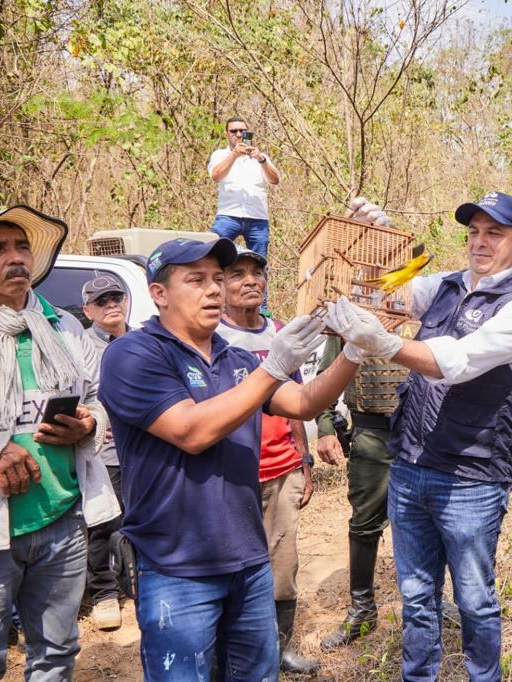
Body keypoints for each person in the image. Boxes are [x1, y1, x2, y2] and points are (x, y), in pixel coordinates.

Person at [98, 237, 359, 679]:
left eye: (218, 279)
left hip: (248, 559)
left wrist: (353, 351)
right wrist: (272, 368)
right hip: (177, 566)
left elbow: (304, 403)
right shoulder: (134, 353)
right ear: (158, 293)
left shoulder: (235, 358)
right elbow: (191, 431)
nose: (214, 290)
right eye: (196, 280)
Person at [322, 191, 512, 681]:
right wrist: (382, 243)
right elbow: (391, 291)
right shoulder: (445, 286)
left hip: (471, 478)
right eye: (474, 233)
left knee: (473, 598)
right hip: (409, 466)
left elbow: (456, 362)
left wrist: (386, 343)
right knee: (417, 597)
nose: (480, 243)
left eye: (495, 234)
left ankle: (482, 676)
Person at [0, 206, 121, 679]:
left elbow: (96, 399)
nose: (15, 258)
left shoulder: (62, 326)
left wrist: (87, 424)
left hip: (63, 518)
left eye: (22, 246)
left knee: (56, 654)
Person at [214, 244, 318, 675]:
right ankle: (227, 656)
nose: (250, 281)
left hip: (281, 468)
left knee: (282, 566)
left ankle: (278, 650)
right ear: (220, 285)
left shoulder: (280, 332)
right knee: (227, 570)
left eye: (257, 273)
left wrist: (304, 459)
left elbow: (295, 398)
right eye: (237, 274)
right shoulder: (212, 335)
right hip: (228, 475)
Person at [315, 198, 398, 649]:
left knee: (423, 519)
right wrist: (326, 426)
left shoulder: (417, 299)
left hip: (420, 432)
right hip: (369, 431)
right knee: (365, 521)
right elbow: (327, 370)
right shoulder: (350, 307)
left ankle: (426, 597)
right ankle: (362, 607)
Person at [80, 272, 133, 631]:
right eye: (102, 301)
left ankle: (136, 582)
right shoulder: (81, 345)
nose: (111, 304)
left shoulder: (145, 337)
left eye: (116, 297)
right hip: (106, 453)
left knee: (141, 517)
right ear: (88, 310)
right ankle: (103, 594)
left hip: (145, 450)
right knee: (104, 525)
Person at [208, 116, 280, 261]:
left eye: (242, 131)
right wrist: (234, 155)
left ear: (248, 133)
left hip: (257, 218)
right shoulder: (220, 155)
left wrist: (262, 160)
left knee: (259, 262)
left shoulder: (260, 158)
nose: (239, 135)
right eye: (234, 131)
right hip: (228, 215)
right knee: (213, 255)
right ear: (227, 134)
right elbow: (216, 176)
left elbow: (275, 180)